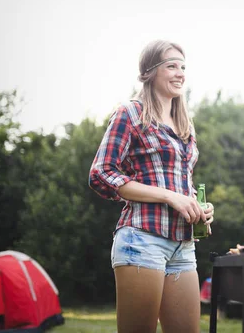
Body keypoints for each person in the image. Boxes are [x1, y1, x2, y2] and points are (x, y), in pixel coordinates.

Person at [89, 40, 214, 333]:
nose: (180, 73)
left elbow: (182, 184)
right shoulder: (130, 113)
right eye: (171, 65)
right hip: (142, 240)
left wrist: (198, 206)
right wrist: (170, 197)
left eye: (183, 67)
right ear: (150, 72)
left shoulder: (184, 123)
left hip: (183, 245)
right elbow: (101, 173)